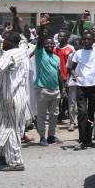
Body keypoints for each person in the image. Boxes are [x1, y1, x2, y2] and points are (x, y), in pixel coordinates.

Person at [0, 31, 30, 171]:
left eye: (4, 40)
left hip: (10, 96)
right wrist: (15, 16)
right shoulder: (22, 51)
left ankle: (15, 162)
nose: (2, 43)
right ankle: (7, 156)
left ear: (10, 42)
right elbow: (23, 40)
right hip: (20, 95)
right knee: (12, 126)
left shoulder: (9, 54)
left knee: (10, 127)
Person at [34, 16, 65, 146]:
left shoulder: (57, 58)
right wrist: (42, 27)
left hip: (55, 90)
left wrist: (62, 88)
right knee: (41, 116)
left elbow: (59, 75)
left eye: (51, 43)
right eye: (47, 43)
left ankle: (51, 137)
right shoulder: (40, 53)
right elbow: (41, 40)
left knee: (54, 115)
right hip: (42, 89)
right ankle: (42, 138)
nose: (49, 44)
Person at [70, 31, 95, 149]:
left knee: (91, 114)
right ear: (82, 40)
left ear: (93, 40)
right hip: (81, 86)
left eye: (89, 39)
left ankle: (88, 140)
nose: (87, 41)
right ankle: (82, 139)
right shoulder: (78, 53)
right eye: (85, 39)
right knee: (82, 112)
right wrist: (74, 75)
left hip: (93, 86)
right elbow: (71, 68)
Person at [54, 30, 74, 125]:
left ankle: (62, 113)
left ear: (66, 38)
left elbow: (73, 63)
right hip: (57, 76)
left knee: (66, 97)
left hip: (67, 76)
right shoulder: (55, 49)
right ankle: (59, 113)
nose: (60, 38)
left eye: (62, 36)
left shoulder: (70, 48)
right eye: (59, 36)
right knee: (58, 97)